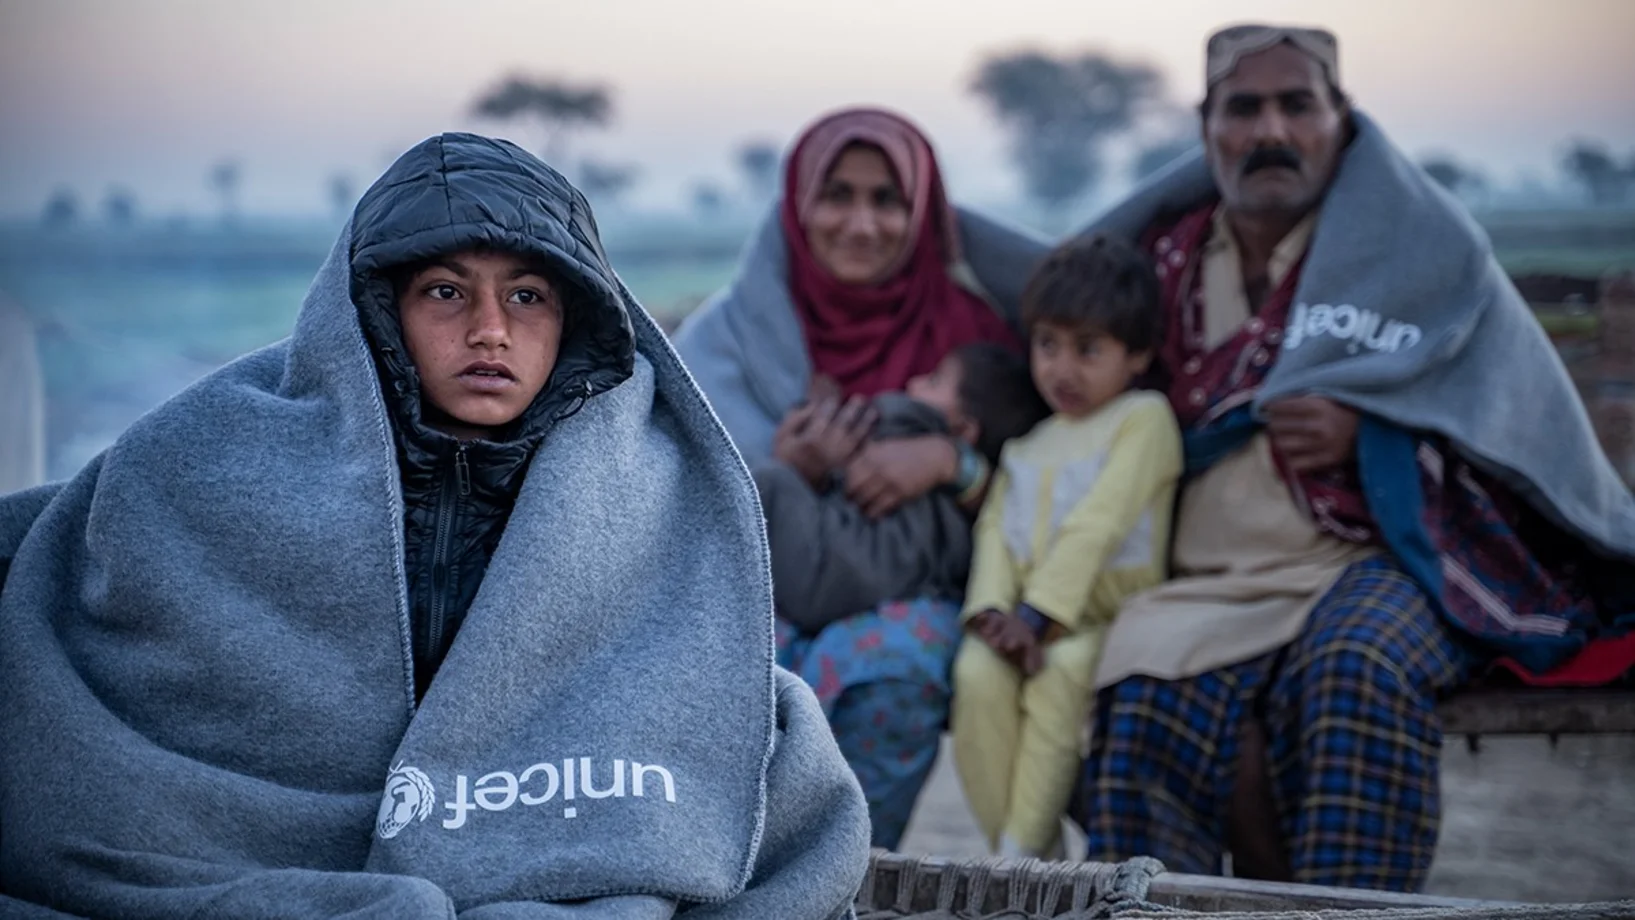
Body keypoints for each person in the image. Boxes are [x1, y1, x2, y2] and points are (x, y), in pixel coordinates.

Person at [0, 133, 870, 919]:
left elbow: (673, 680)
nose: (489, 330)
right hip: (249, 836)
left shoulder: (645, 482)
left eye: (527, 295)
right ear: (378, 311)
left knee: (786, 737)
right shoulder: (215, 442)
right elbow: (84, 576)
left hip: (546, 817)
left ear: (575, 320)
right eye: (445, 291)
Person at [1070, 24, 1635, 891]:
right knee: (1141, 696)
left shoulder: (1422, 251)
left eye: (1298, 104)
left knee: (1356, 668)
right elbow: (1073, 376)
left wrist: (1372, 431)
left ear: (1342, 118)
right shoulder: (1160, 262)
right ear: (1205, 125)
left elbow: (1504, 414)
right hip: (1205, 577)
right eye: (1244, 107)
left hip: (1372, 562)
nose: (1271, 131)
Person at [672, 107, 1051, 847]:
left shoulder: (975, 341)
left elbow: (1043, 494)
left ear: (924, 214)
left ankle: (850, 874)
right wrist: (788, 474)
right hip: (760, 589)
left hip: (917, 591)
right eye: (836, 194)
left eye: (887, 200)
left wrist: (952, 462)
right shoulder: (727, 336)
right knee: (727, 675)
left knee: (891, 671)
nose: (860, 223)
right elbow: (676, 489)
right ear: (796, 203)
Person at [951, 236, 1181, 860]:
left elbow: (1100, 524)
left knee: (1061, 675)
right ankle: (1031, 854)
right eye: (1048, 345)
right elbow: (996, 531)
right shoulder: (1027, 445)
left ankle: (1016, 861)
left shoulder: (1144, 419)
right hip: (1024, 622)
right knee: (975, 675)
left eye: (1088, 349)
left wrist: (1039, 618)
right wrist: (993, 613)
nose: (1062, 369)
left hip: (1114, 620)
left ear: (1137, 355)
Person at [754, 342, 1050, 636]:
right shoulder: (967, 518)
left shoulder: (908, 420)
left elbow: (849, 442)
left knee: (767, 483)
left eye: (933, 381)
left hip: (827, 568)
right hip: (858, 589)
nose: (913, 382)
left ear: (964, 430)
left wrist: (818, 410)